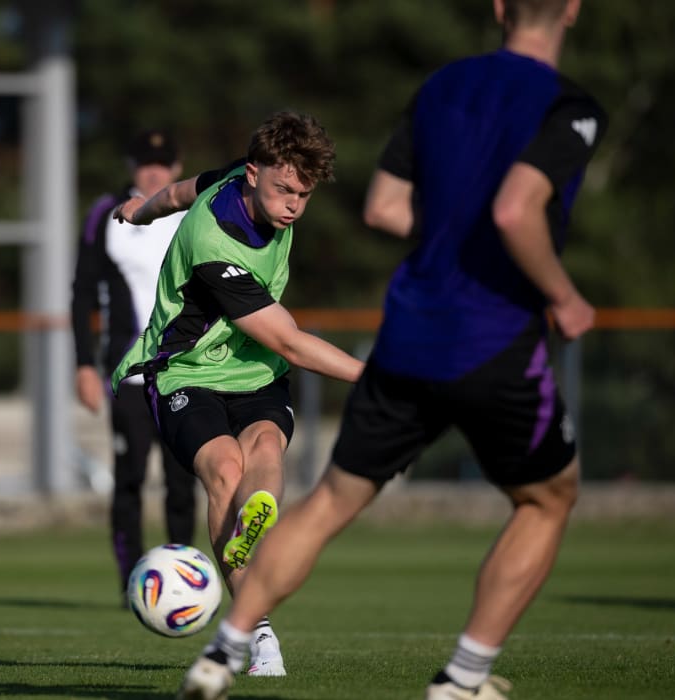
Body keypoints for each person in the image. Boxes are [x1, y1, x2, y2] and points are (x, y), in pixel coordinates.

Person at [177, 1, 606, 699]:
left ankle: (223, 650)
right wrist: (562, 294)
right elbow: (515, 210)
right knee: (548, 498)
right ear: (573, 10)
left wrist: (444, 241)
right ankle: (462, 677)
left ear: (497, 8)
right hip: (492, 333)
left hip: (408, 329)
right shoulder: (569, 105)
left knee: (327, 502)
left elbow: (382, 207)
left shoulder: (440, 88)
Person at [111, 110, 365, 678]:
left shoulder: (237, 177)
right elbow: (293, 343)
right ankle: (259, 631)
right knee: (226, 466)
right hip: (185, 373)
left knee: (267, 451)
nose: (294, 206)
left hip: (256, 373)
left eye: (303, 194)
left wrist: (141, 210)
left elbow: (178, 189)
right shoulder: (213, 241)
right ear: (253, 175)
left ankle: (255, 526)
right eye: (284, 191)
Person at [71, 129, 199, 600]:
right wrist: (84, 363)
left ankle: (184, 576)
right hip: (128, 371)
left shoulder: (193, 214)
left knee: (182, 481)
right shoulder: (106, 214)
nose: (154, 170)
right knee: (130, 476)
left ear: (177, 168)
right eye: (146, 162)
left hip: (186, 367)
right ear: (133, 166)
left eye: (162, 163)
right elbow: (82, 291)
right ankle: (131, 580)